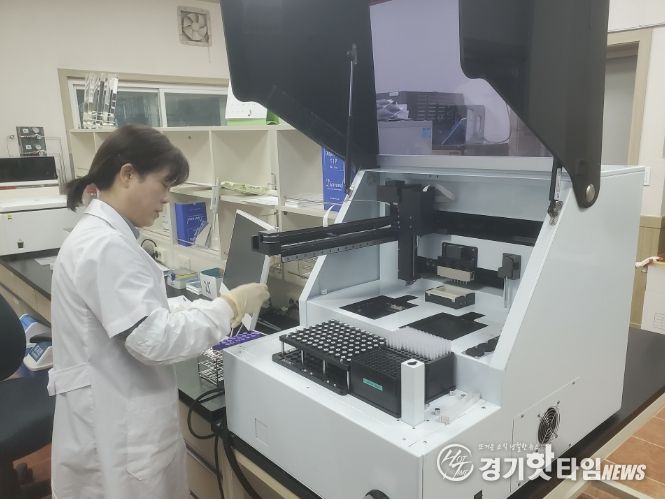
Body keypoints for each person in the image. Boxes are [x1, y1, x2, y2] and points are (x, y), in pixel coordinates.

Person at [47, 125, 269, 498]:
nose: (167, 197)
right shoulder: (105, 246)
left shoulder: (101, 235)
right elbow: (155, 341)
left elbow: (140, 319)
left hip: (108, 412)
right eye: (164, 184)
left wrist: (201, 311)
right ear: (128, 174)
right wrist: (227, 308)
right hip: (119, 431)